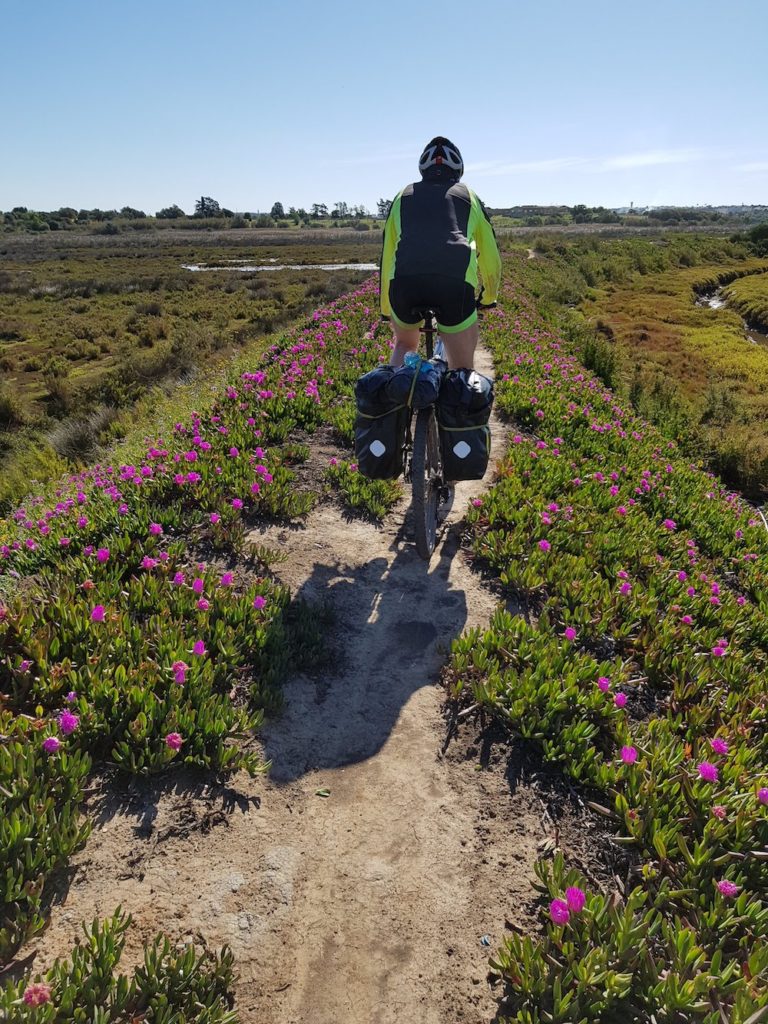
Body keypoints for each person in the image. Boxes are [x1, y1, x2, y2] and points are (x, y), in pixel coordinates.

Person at [379, 136, 502, 370]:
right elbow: (490, 257)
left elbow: (387, 258)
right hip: (453, 285)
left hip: (405, 284)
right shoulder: (469, 195)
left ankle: (397, 398)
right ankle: (457, 395)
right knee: (462, 370)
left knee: (404, 344)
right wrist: (488, 298)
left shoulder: (402, 196)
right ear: (458, 169)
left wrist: (386, 309)